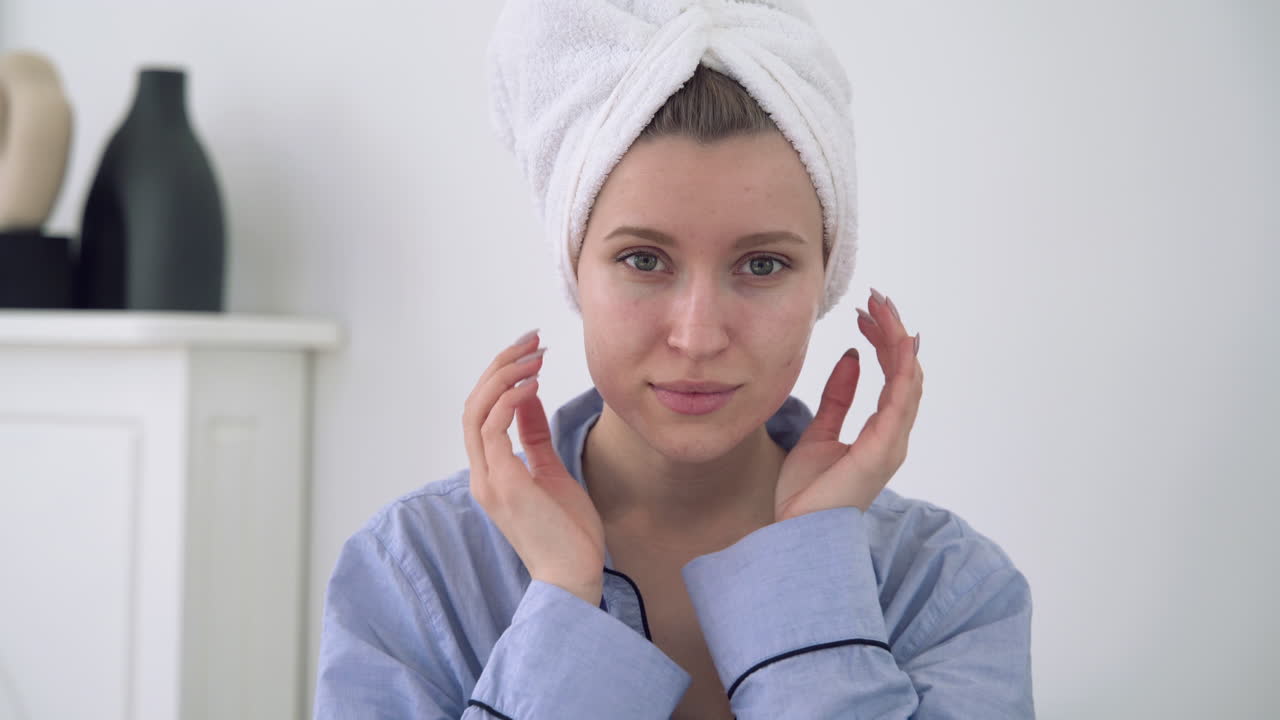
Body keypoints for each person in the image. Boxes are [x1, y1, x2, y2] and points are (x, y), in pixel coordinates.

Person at [315, 4, 1033, 719]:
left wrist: (814, 571)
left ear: (825, 278)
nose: (697, 336)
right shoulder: (415, 572)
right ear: (576, 270)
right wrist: (564, 602)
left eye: (761, 264)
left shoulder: (949, 589)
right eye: (644, 259)